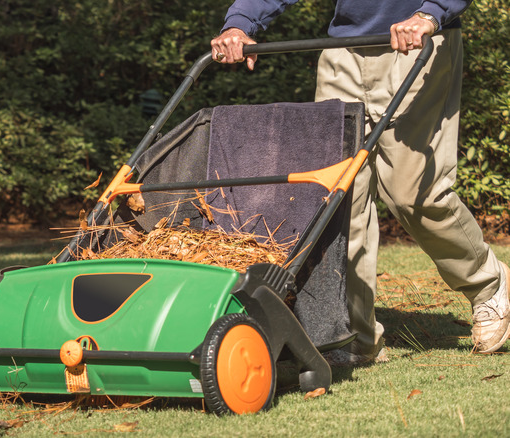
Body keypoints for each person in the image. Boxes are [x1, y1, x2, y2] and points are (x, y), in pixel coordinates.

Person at [210, 0, 509, 363]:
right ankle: (353, 335)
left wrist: (430, 14)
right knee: (339, 198)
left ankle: (488, 283)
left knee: (413, 194)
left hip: (419, 43)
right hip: (343, 52)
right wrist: (240, 23)